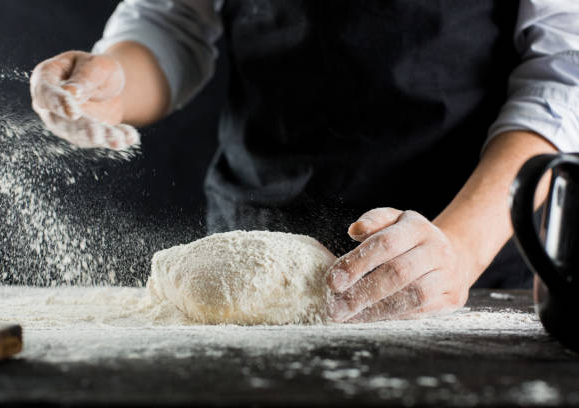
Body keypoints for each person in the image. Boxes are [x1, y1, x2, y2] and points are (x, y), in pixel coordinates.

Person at [30, 0, 579, 322]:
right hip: (254, 236)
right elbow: (171, 22)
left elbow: (563, 70)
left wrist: (459, 246)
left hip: (465, 247)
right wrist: (113, 81)